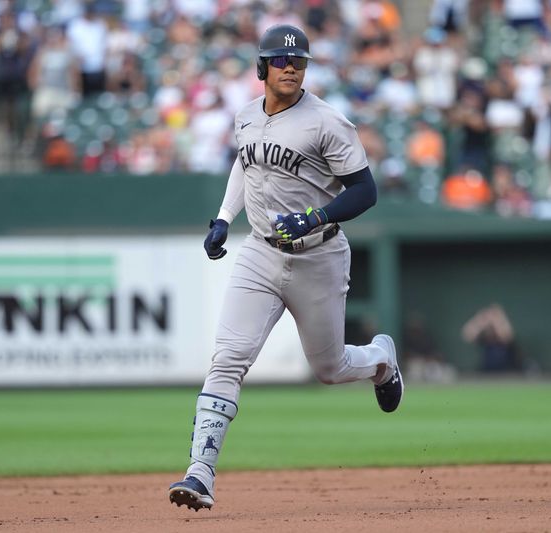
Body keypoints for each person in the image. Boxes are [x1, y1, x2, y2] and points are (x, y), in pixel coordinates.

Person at [168, 24, 404, 512]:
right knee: (229, 358)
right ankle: (200, 472)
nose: (291, 67)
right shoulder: (246, 115)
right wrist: (222, 218)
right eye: (280, 60)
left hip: (318, 254)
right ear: (262, 68)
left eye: (298, 61)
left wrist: (316, 216)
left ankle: (381, 360)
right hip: (260, 250)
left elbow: (365, 190)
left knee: (330, 367)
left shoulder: (326, 122)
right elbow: (244, 165)